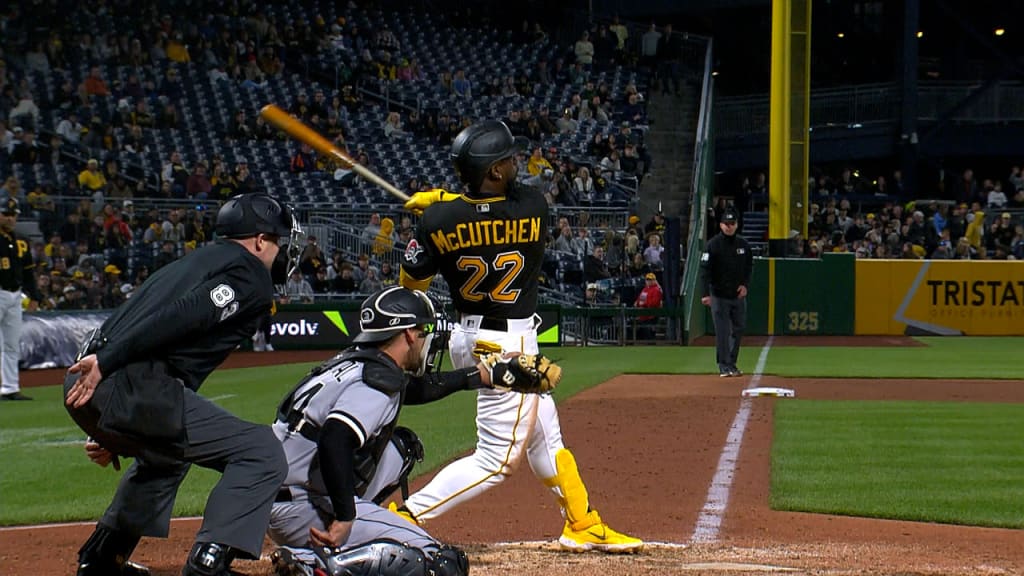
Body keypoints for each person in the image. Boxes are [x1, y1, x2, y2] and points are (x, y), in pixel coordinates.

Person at [398, 120, 642, 553]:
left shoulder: (437, 221)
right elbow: (488, 210)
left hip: (468, 336)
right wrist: (445, 206)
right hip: (506, 346)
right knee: (496, 460)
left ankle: (582, 522)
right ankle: (402, 518)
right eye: (508, 160)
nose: (515, 165)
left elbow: (410, 284)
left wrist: (434, 220)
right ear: (492, 173)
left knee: (545, 431)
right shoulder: (532, 206)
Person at [63, 193, 304, 576]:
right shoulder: (250, 274)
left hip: (95, 381)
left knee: (167, 454)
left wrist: (112, 414)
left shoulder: (196, 261)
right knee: (262, 452)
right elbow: (186, 315)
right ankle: (210, 564)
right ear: (260, 240)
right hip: (122, 379)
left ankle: (101, 561)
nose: (282, 252)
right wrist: (109, 369)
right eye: (278, 242)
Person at [266, 286, 551, 576]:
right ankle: (313, 562)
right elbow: (334, 439)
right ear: (408, 334)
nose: (428, 338)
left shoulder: (356, 363)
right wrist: (344, 516)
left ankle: (321, 544)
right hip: (305, 508)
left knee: (401, 447)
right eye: (424, 330)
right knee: (441, 565)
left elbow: (412, 389)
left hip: (278, 495)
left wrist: (481, 376)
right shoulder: (376, 382)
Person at [700, 209, 753, 377]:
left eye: (732, 224)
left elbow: (749, 267)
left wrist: (745, 285)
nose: (729, 227)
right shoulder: (712, 245)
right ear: (721, 225)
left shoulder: (743, 245)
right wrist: (705, 294)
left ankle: (732, 363)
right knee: (722, 331)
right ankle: (723, 365)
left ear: (737, 225)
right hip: (719, 295)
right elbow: (705, 271)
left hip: (737, 295)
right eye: (726, 224)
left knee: (738, 329)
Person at [0, 199, 40, 401]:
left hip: (15, 295)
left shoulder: (21, 241)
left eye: (13, 214)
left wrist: (34, 296)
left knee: (11, 344)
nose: (10, 218)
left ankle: (10, 387)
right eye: (5, 214)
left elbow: (28, 273)